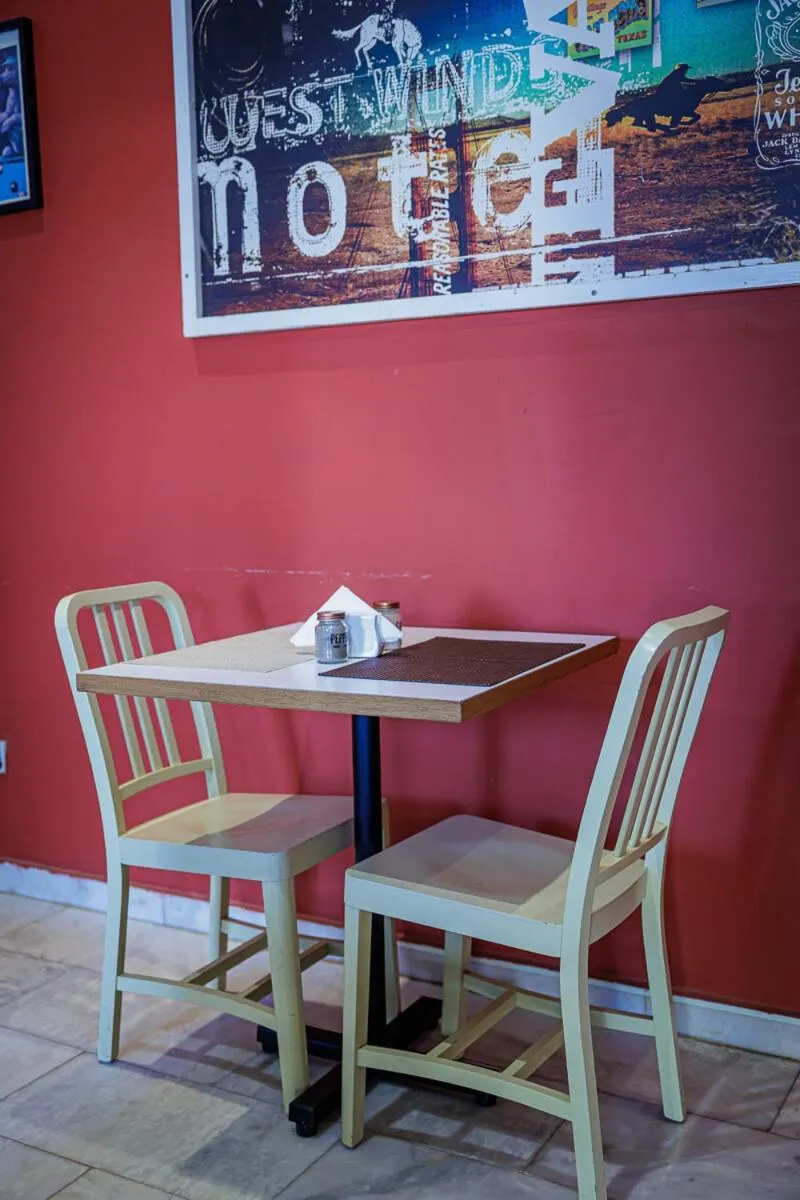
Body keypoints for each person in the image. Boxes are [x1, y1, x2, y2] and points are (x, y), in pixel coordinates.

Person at [0, 54, 23, 158]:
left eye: (10, 69)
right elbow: (7, 113)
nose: (5, 73)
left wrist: (13, 119)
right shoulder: (12, 91)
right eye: (5, 69)